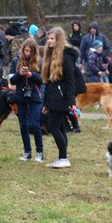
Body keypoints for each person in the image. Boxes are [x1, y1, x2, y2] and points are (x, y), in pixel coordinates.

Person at [41, 27, 78, 168]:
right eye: (48, 38)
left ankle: (63, 158)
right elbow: (49, 82)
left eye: (52, 38)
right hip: (53, 96)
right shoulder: (50, 55)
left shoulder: (66, 56)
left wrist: (71, 101)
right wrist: (46, 103)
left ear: (59, 40)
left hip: (61, 97)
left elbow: (70, 80)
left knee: (53, 126)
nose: (49, 41)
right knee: (61, 127)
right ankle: (62, 157)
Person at [9, 38, 44, 162]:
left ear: (34, 51)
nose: (27, 53)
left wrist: (31, 75)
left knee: (34, 124)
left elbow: (43, 80)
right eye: (25, 50)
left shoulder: (40, 62)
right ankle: (27, 151)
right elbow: (12, 80)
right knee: (23, 125)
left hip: (35, 95)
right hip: (21, 95)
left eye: (30, 51)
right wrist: (20, 73)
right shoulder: (16, 61)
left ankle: (40, 152)